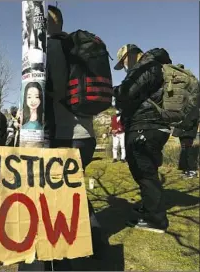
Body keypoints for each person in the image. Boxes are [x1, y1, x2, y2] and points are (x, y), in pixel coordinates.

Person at [42, 5, 108, 270]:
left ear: (48, 22)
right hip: (83, 134)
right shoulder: (74, 49)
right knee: (73, 189)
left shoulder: (54, 47)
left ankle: (64, 253)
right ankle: (95, 242)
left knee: (62, 193)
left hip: (65, 135)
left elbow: (57, 89)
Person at [114, 44, 172, 233]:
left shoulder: (145, 67)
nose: (124, 67)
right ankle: (149, 206)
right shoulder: (155, 66)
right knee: (146, 169)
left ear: (130, 55)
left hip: (145, 125)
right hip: (152, 126)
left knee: (144, 172)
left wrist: (116, 92)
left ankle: (156, 220)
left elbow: (126, 94)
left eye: (123, 62)